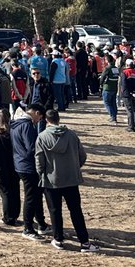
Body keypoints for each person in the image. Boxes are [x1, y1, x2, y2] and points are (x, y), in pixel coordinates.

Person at [34, 108, 97, 252]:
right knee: (76, 211)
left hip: (52, 180)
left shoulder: (42, 137)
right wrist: (74, 167)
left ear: (46, 120)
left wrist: (42, 174)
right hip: (71, 179)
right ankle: (85, 242)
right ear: (59, 119)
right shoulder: (72, 135)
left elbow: (39, 160)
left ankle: (58, 239)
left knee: (55, 211)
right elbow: (82, 156)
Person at [10, 104, 48, 240]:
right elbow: (32, 147)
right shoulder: (26, 125)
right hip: (28, 166)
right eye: (40, 118)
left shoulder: (16, 123)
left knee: (36, 195)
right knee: (31, 197)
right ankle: (28, 228)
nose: (38, 121)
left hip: (20, 163)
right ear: (37, 113)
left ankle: (41, 223)